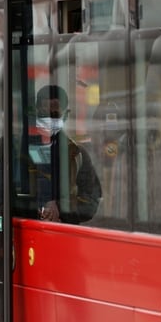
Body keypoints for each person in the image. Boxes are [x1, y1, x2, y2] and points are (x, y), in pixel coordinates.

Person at [29, 85, 101, 224]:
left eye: (55, 114)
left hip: (64, 233)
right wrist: (37, 208)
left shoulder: (77, 154)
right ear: (36, 111)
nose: (49, 117)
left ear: (66, 114)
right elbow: (2, 196)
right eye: (45, 112)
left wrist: (60, 209)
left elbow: (90, 201)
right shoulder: (16, 151)